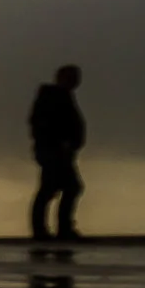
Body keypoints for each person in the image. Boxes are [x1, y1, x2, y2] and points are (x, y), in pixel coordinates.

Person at [28, 64, 85, 241]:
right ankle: (49, 230)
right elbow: (38, 122)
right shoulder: (51, 96)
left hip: (60, 152)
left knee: (62, 188)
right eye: (72, 77)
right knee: (58, 188)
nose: (76, 81)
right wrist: (59, 143)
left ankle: (58, 229)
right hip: (53, 152)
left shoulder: (64, 96)